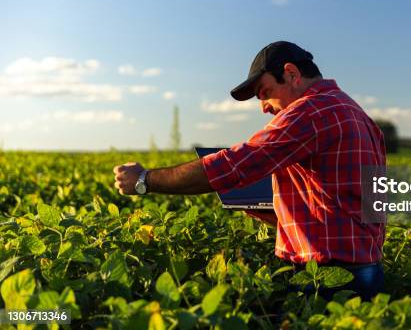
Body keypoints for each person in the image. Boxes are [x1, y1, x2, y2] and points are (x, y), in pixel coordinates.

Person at [113, 41, 386, 300]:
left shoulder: (312, 111)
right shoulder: (358, 114)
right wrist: (263, 205)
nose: (264, 106)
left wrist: (145, 179)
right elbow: (349, 209)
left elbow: (235, 165)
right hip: (367, 270)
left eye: (265, 92)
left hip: (327, 278)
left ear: (291, 74)